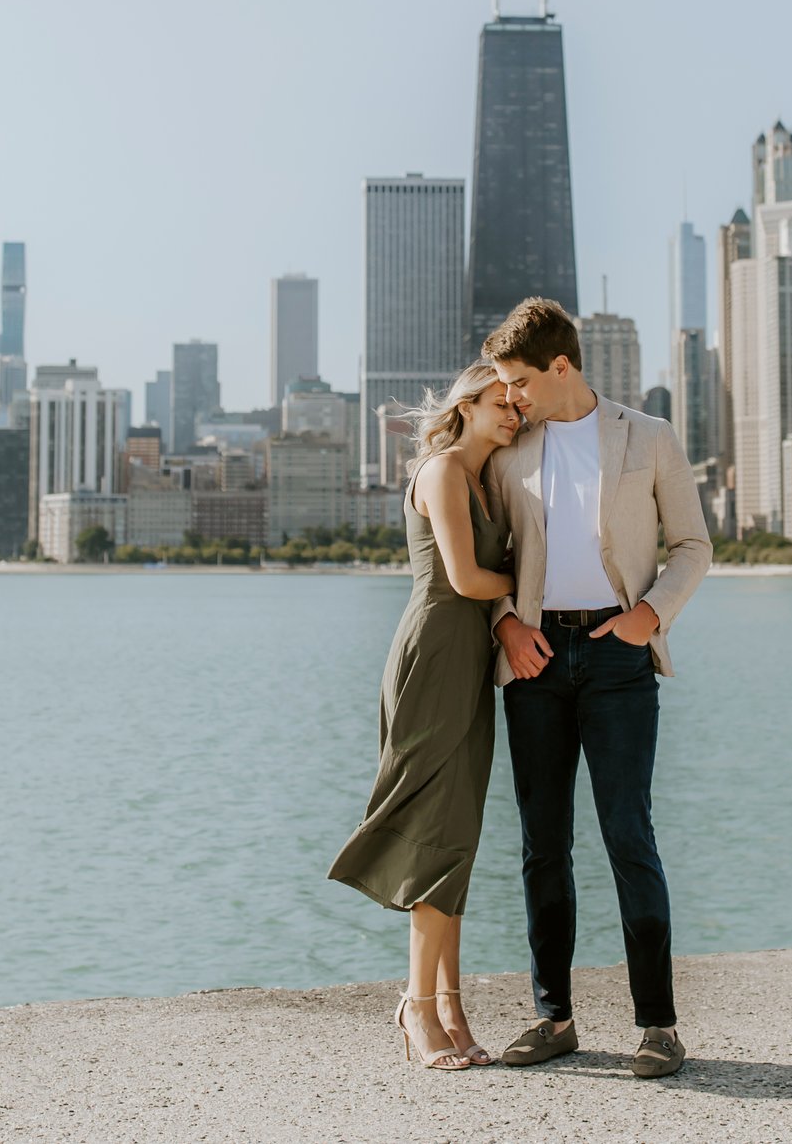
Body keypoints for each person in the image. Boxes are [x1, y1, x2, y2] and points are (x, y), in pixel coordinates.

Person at [479, 297, 713, 1079]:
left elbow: (692, 544)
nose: (510, 395)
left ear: (562, 366)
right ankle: (555, 1018)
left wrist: (650, 614)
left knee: (628, 835)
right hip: (536, 660)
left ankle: (659, 1026)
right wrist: (508, 623)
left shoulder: (648, 436)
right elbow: (489, 553)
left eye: (518, 380)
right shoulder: (510, 450)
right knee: (542, 845)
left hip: (618, 657)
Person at [327, 362, 520, 1071]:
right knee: (436, 831)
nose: (512, 414)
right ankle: (415, 1005)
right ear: (466, 405)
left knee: (458, 833)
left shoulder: (485, 480)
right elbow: (467, 579)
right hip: (435, 649)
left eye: (516, 406)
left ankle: (450, 1003)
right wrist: (536, 581)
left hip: (469, 658)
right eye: (500, 402)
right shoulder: (441, 471)